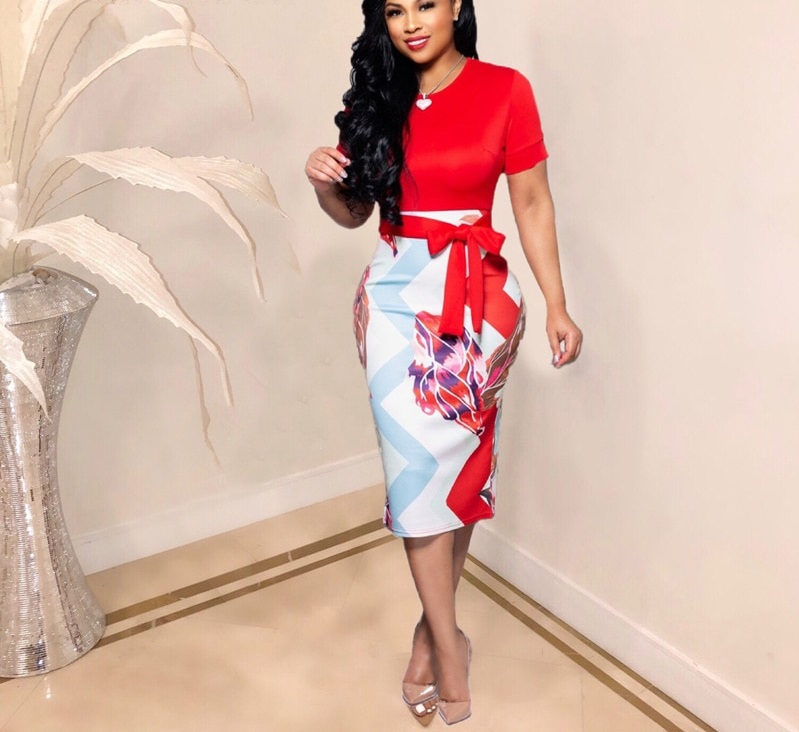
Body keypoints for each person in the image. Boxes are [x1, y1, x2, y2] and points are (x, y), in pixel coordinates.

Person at [305, 0, 582, 725]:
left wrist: (556, 303)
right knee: (414, 476)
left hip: (479, 300)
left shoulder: (506, 90)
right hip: (396, 300)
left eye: (425, 4)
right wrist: (324, 182)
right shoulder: (374, 97)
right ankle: (450, 646)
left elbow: (531, 202)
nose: (411, 23)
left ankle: (431, 634)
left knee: (459, 470)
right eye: (395, 11)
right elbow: (354, 214)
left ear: (457, 4)